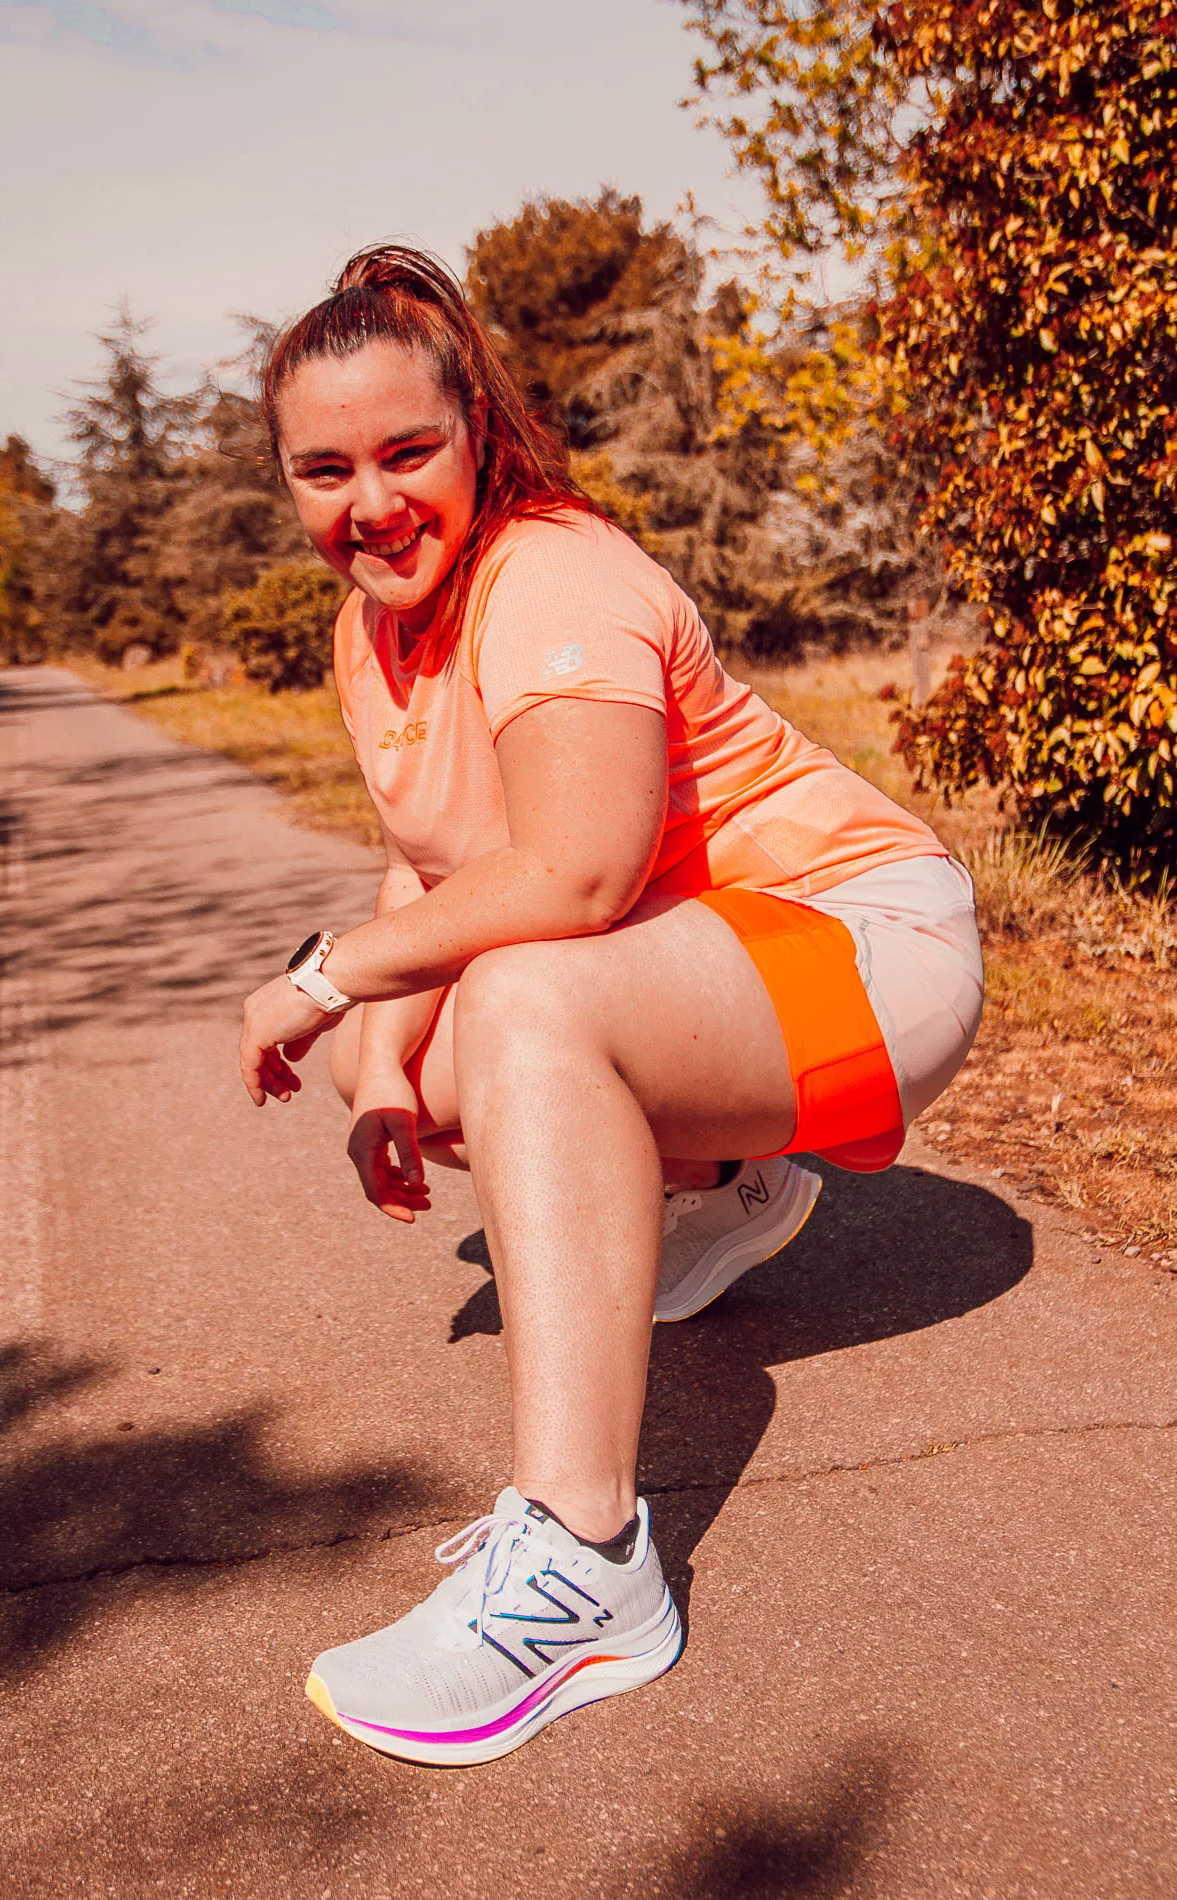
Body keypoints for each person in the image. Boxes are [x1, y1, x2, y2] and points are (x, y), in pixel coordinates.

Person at [238, 244, 983, 1769]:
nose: (367, 504)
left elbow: (573, 881)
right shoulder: (375, 625)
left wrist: (317, 980)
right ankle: (730, 1182)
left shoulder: (551, 573)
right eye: (324, 470)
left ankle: (584, 1565)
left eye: (405, 453)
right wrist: (378, 1070)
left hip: (867, 943)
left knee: (520, 997)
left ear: (478, 436)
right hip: (717, 964)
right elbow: (423, 866)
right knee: (423, 1062)